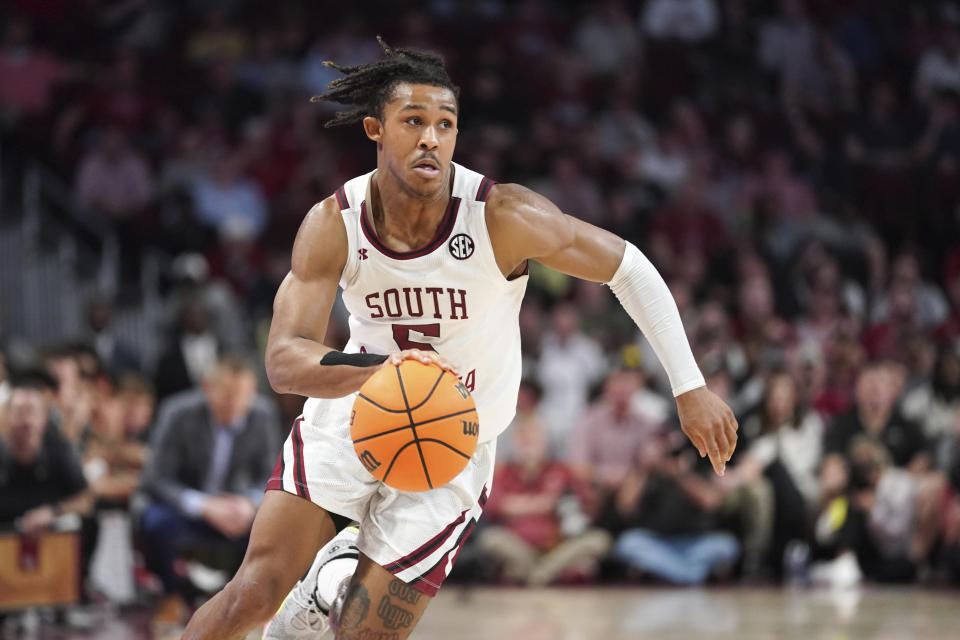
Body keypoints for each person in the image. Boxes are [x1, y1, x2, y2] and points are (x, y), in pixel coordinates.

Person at [182, 38, 738, 640]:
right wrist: (385, 374)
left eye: (445, 124)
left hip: (454, 444)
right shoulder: (333, 223)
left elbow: (628, 266)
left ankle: (330, 590)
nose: (431, 138)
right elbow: (284, 359)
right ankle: (321, 582)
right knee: (252, 595)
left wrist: (690, 387)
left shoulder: (503, 216)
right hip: (352, 413)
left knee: (366, 633)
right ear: (375, 128)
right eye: (413, 121)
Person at [139, 353, 281, 629]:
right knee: (153, 521)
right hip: (189, 508)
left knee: (277, 524)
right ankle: (172, 596)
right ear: (207, 389)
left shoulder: (263, 415)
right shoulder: (177, 412)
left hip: (235, 509)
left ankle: (251, 601)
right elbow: (155, 478)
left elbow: (271, 474)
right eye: (228, 393)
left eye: (244, 394)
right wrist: (203, 505)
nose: (236, 402)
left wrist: (249, 504)